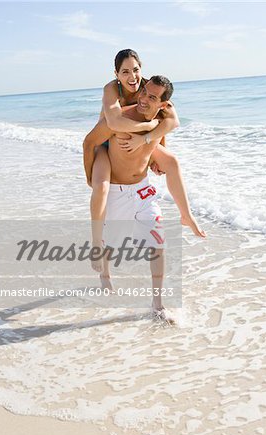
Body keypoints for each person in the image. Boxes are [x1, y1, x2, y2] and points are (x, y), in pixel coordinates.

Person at [83, 76, 206, 322]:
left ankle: (158, 305)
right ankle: (104, 270)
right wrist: (89, 176)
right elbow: (89, 142)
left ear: (163, 104)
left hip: (143, 192)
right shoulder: (120, 119)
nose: (143, 99)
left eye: (152, 97)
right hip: (117, 192)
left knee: (157, 245)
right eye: (144, 92)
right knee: (110, 243)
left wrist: (153, 153)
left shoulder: (162, 119)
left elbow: (171, 127)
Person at [88, 49, 204, 272]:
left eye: (136, 70)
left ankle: (186, 215)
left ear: (142, 68)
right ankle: (95, 243)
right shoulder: (112, 89)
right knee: (101, 189)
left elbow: (171, 119)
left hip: (137, 140)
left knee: (172, 162)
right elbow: (114, 123)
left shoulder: (148, 87)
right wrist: (148, 128)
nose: (132, 76)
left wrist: (154, 147)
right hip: (106, 143)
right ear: (116, 74)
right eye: (125, 72)